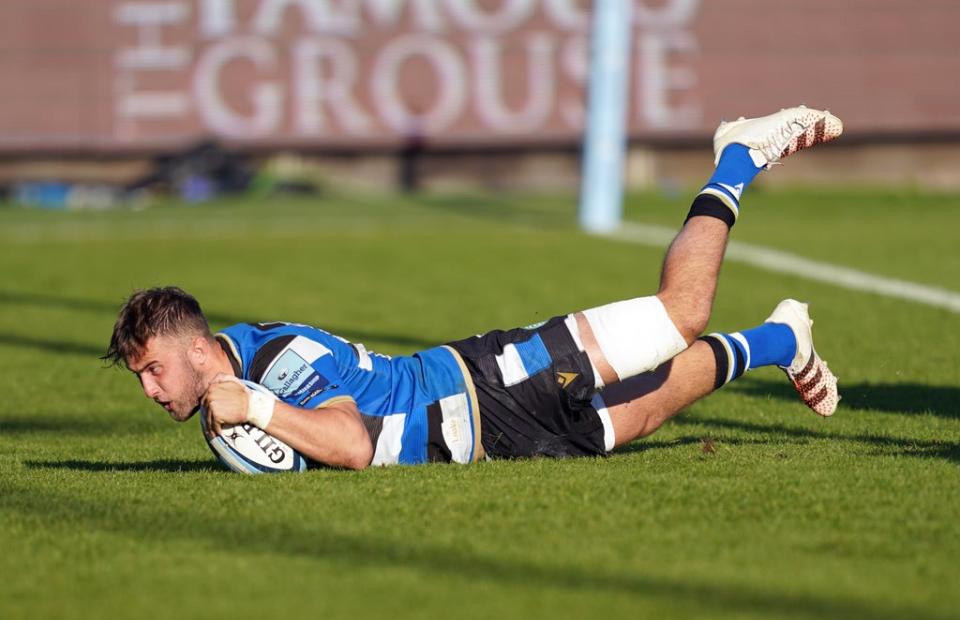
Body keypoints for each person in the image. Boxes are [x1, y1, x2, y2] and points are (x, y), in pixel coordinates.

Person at [103, 106, 842, 471]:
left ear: (199, 350)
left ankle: (736, 158)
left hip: (494, 382)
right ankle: (783, 337)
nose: (149, 390)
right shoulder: (225, 392)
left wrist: (259, 407)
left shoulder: (276, 363)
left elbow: (353, 445)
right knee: (645, 413)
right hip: (495, 441)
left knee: (679, 317)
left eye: (153, 370)